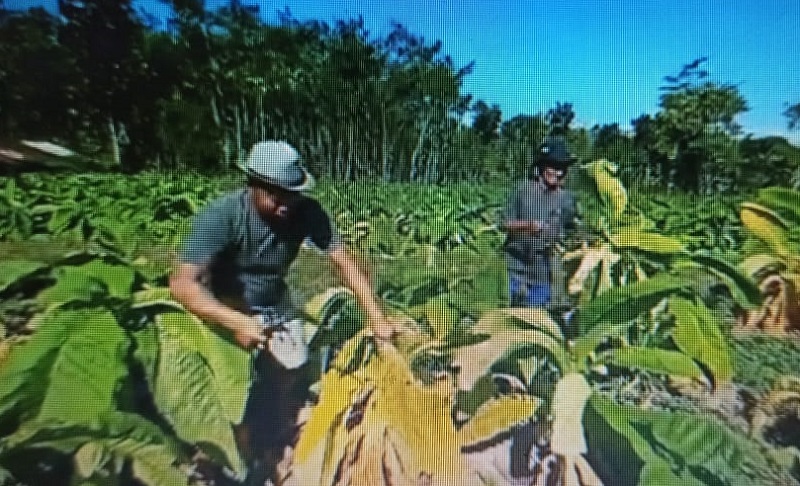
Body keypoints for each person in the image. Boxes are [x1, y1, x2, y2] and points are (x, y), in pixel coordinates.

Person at [169, 140, 393, 482]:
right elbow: (183, 284)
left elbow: (343, 264)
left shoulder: (307, 212)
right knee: (235, 395)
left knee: (292, 371)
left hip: (274, 302)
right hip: (221, 306)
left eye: (292, 195)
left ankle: (275, 438)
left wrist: (376, 315)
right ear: (253, 185)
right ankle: (222, 458)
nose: (286, 204)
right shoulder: (224, 215)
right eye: (276, 196)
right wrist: (234, 320)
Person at [501, 138, 578, 309]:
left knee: (533, 322)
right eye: (554, 167)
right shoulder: (523, 191)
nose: (558, 173)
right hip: (514, 266)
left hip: (543, 272)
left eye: (562, 168)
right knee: (507, 318)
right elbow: (503, 223)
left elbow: (572, 229)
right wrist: (527, 226)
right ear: (541, 166)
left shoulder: (566, 199)